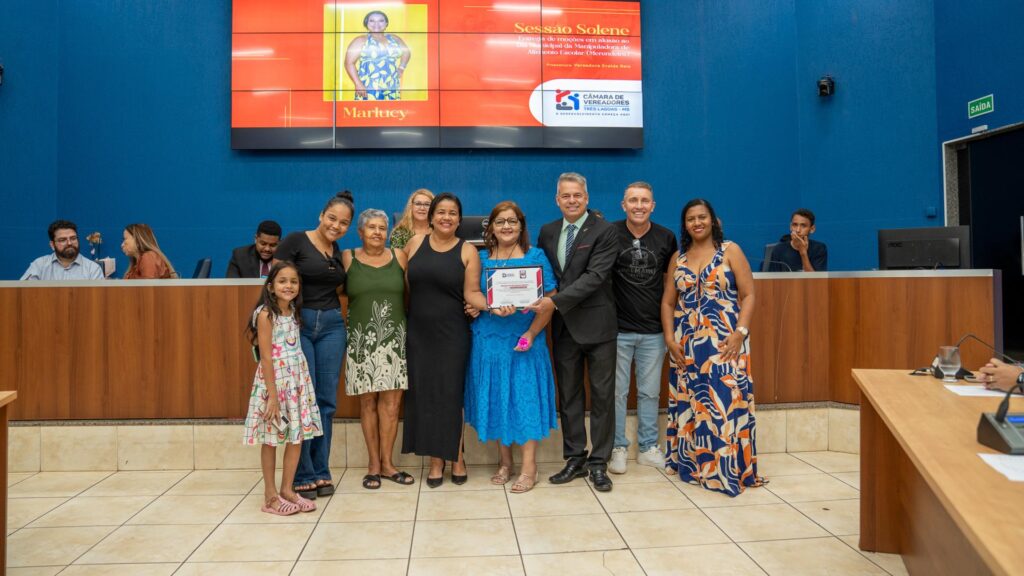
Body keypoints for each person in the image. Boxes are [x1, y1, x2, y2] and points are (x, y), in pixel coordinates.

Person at [662, 198, 764, 496]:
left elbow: (748, 295)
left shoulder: (730, 251)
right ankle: (694, 465)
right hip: (686, 346)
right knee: (694, 404)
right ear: (685, 225)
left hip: (726, 343)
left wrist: (740, 333)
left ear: (713, 220)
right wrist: (670, 338)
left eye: (702, 217)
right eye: (691, 218)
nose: (697, 222)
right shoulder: (678, 258)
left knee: (723, 403)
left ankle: (727, 469)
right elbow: (668, 302)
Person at [527, 172, 619, 492]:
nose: (572, 200)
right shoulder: (548, 231)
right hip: (564, 328)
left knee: (603, 397)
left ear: (587, 197)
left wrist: (554, 303)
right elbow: (542, 276)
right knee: (568, 396)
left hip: (598, 327)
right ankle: (575, 458)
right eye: (565, 196)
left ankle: (599, 462)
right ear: (557, 199)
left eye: (577, 195)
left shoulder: (605, 231)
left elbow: (595, 277)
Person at [465, 201, 558, 494]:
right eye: (501, 221)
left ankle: (529, 467)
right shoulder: (481, 258)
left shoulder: (536, 256)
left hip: (524, 340)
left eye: (513, 221)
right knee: (498, 398)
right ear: (490, 226)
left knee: (525, 399)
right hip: (489, 341)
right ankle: (504, 462)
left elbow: (551, 300)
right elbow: (472, 293)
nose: (507, 226)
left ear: (521, 226)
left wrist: (531, 333)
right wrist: (489, 307)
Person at [403, 192, 487, 488]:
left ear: (459, 219)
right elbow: (402, 288)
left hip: (453, 334)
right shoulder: (413, 244)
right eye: (441, 212)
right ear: (431, 215)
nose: (446, 217)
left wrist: (490, 304)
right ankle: (436, 460)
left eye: (452, 213)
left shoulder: (468, 251)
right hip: (418, 334)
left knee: (452, 396)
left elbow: (472, 293)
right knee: (425, 396)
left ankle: (457, 457)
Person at [274, 191, 354, 500]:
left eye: (343, 223)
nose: (336, 226)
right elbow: (276, 283)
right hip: (301, 324)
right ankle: (302, 473)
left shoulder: (336, 250)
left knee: (326, 402)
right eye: (332, 218)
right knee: (302, 401)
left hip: (333, 324)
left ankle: (322, 470)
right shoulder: (296, 240)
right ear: (321, 214)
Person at [342, 209, 414, 490]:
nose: (377, 232)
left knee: (392, 405)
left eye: (382, 228)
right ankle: (373, 464)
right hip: (361, 342)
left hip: (394, 342)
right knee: (367, 403)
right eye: (371, 227)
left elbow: (412, 294)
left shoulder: (400, 257)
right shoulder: (347, 258)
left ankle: (387, 464)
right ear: (360, 232)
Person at [242, 261, 322, 515]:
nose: (289, 286)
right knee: (271, 439)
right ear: (271, 286)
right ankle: (270, 496)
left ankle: (288, 489)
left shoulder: (293, 312)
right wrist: (273, 398)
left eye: (294, 281)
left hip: (296, 383)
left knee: (296, 437)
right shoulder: (266, 314)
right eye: (282, 281)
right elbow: (266, 358)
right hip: (274, 386)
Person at [609, 182, 677, 474]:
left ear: (653, 205)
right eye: (633, 200)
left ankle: (649, 447)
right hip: (616, 329)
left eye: (644, 201)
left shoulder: (666, 237)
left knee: (650, 392)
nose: (639, 205)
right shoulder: (609, 233)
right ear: (623, 205)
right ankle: (618, 447)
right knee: (616, 392)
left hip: (653, 331)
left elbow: (670, 286)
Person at [344, 10, 411, 101]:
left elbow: (406, 52)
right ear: (366, 23)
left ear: (386, 23)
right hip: (369, 86)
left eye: (381, 20)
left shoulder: (394, 38)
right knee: (369, 113)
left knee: (390, 112)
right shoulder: (360, 40)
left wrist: (401, 67)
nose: (376, 24)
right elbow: (349, 63)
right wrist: (358, 83)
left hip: (391, 85)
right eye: (372, 21)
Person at [21, 220, 104, 280]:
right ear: (52, 245)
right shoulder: (39, 266)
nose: (69, 243)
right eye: (62, 240)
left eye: (73, 238)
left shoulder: (92, 269)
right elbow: (23, 293)